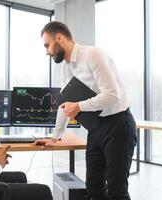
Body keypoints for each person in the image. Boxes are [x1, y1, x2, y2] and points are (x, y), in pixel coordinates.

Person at [35, 21, 137, 200]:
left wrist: (79, 106)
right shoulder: (67, 67)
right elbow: (64, 104)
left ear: (59, 38)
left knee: (116, 190)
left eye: (47, 45)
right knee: (94, 187)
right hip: (96, 128)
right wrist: (55, 137)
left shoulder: (92, 55)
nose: (46, 52)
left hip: (118, 124)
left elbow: (113, 95)